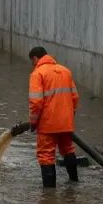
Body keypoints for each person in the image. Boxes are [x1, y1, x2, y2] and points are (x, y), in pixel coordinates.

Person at [27, 46, 80, 188]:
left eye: (32, 61)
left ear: (35, 58)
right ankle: (74, 182)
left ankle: (49, 196)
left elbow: (36, 102)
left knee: (46, 155)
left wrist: (33, 122)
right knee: (68, 149)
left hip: (47, 124)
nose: (33, 64)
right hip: (65, 122)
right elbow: (75, 97)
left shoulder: (37, 74)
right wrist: (69, 117)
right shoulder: (65, 71)